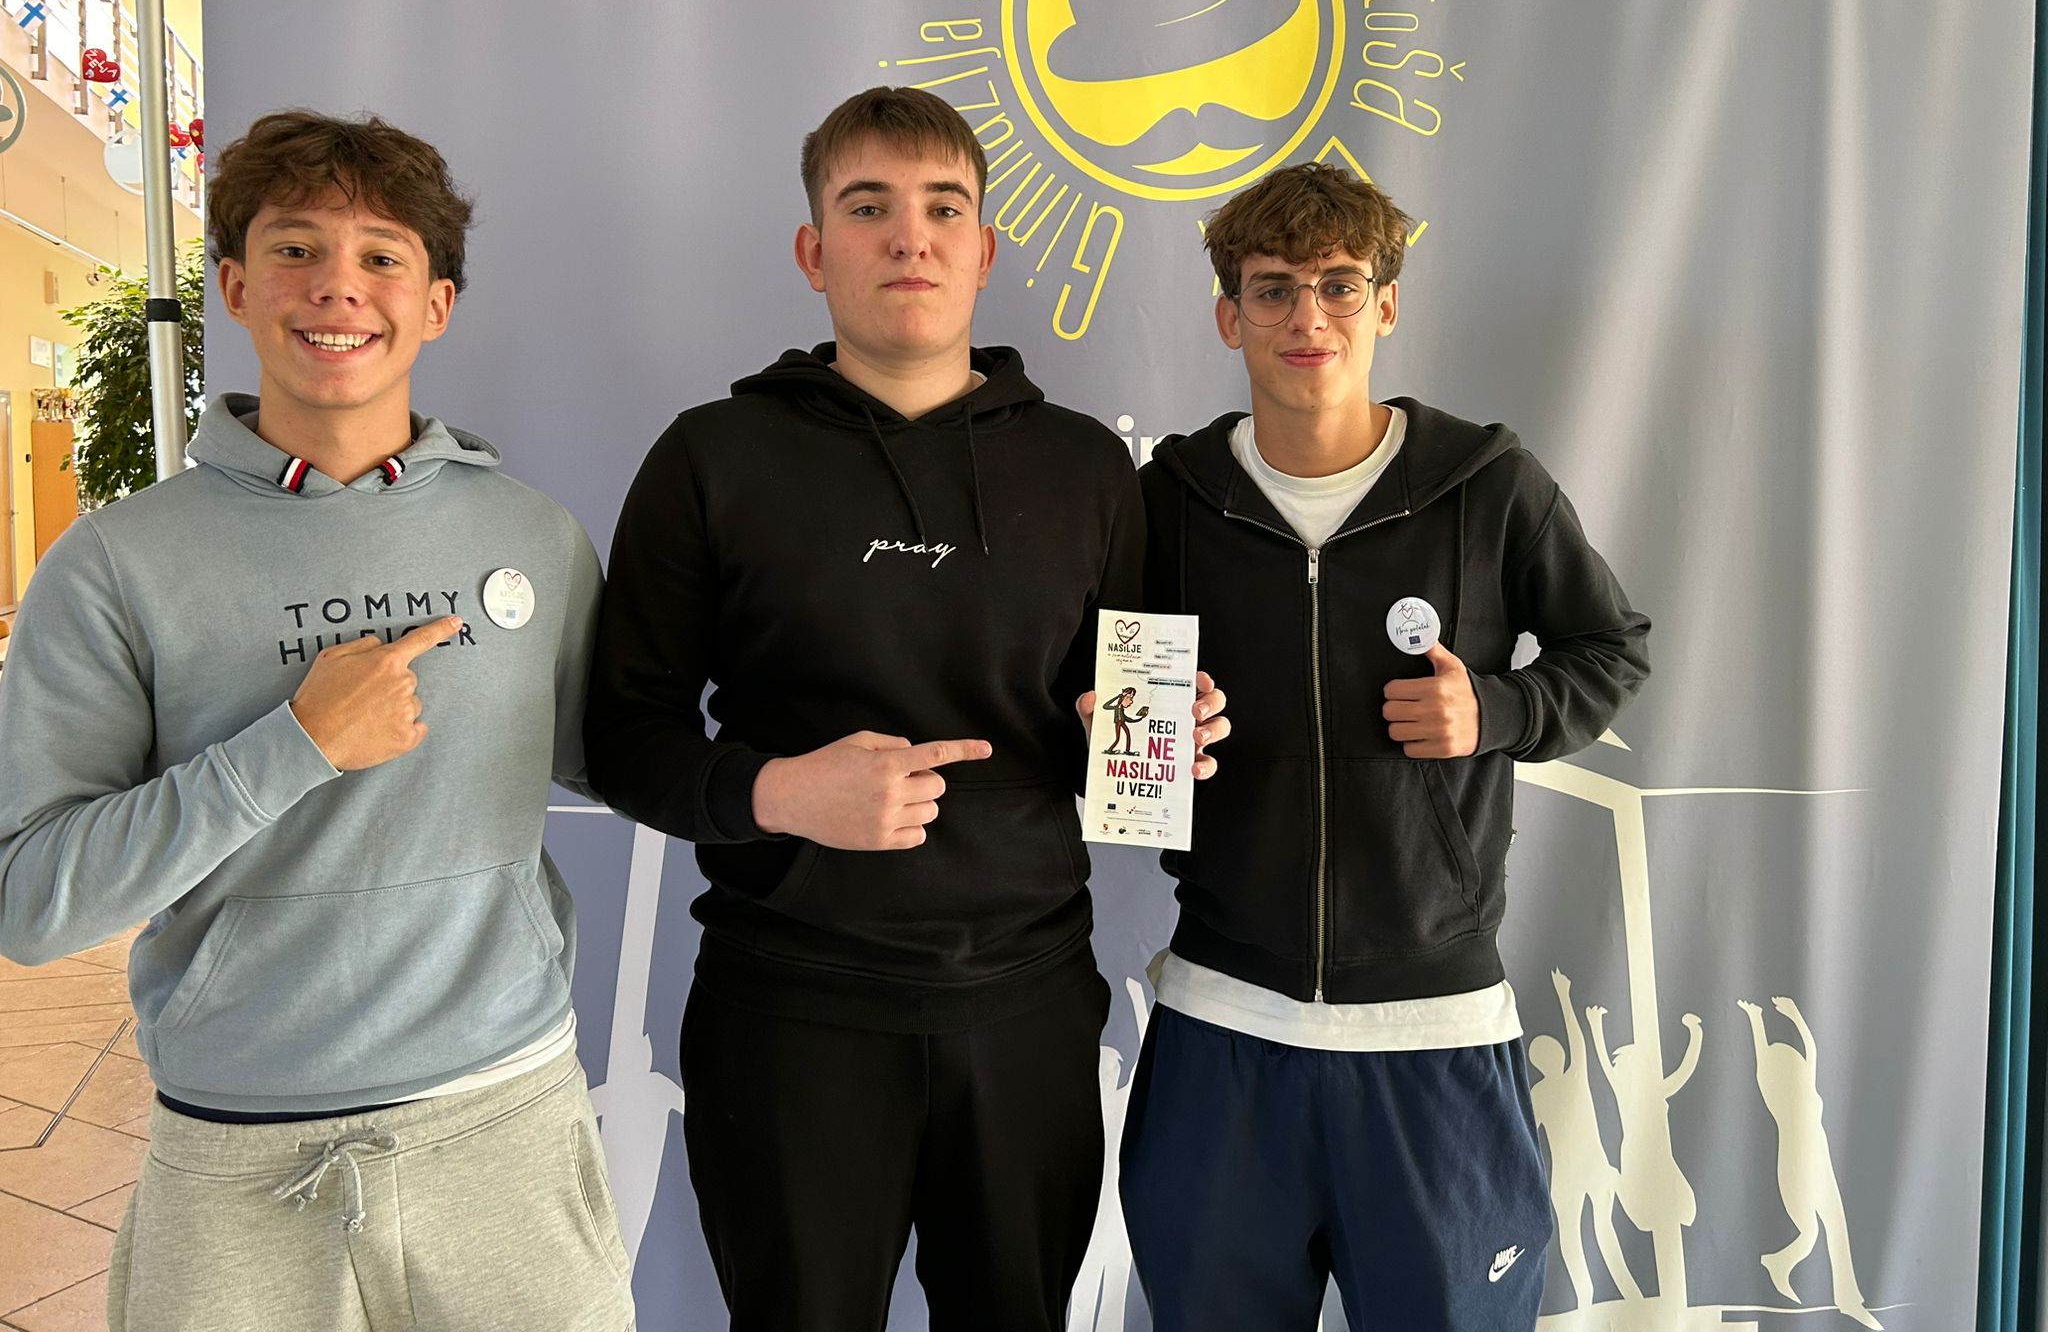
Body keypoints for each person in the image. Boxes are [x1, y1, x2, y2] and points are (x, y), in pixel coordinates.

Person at [585, 85, 1224, 1332]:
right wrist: (782, 793)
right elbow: (622, 739)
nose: (908, 238)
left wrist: (1157, 741)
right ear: (813, 249)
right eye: (867, 207)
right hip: (789, 1011)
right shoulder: (710, 456)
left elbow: (1108, 737)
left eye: (941, 209)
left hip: (1027, 1007)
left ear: (983, 249)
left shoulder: (1086, 467)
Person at [0, 111, 634, 1331]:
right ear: (236, 285)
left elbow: (620, 760)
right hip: (239, 1153)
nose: (337, 286)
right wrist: (288, 752)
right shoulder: (116, 565)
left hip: (504, 1119)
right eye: (295, 249)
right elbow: (32, 904)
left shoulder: (533, 537)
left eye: (381, 256)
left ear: (435, 304)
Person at [1118, 161, 1651, 1331]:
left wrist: (1494, 714)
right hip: (1223, 1026)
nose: (1305, 318)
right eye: (1271, 289)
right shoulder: (1167, 502)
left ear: (1386, 304)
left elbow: (1608, 650)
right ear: (1228, 316)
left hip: (1434, 1039)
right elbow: (1091, 696)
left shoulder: (1486, 486)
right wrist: (1139, 732)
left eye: (1337, 285)